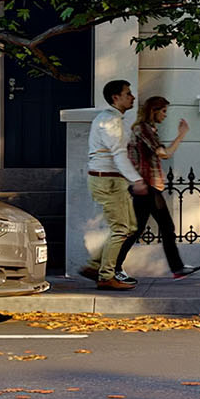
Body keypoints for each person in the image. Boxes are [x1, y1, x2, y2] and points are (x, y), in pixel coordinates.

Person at [117, 95, 200, 279]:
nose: (165, 115)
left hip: (149, 187)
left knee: (161, 227)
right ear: (153, 111)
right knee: (139, 230)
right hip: (145, 187)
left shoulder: (148, 129)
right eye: (163, 111)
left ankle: (177, 268)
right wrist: (181, 134)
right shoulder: (143, 129)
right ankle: (112, 268)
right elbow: (164, 154)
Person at [80, 79, 144, 289]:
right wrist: (136, 179)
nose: (132, 97)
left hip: (113, 179)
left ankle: (95, 266)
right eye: (128, 93)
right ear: (116, 98)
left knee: (130, 227)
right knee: (121, 229)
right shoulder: (108, 121)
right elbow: (118, 154)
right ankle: (106, 276)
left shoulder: (115, 120)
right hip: (106, 180)